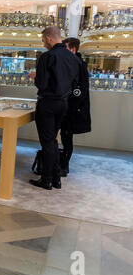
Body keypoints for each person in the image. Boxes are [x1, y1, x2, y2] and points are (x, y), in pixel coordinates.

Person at [28, 26, 80, 190]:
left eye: (43, 41)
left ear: (49, 38)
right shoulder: (73, 58)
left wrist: (34, 78)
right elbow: (74, 82)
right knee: (53, 140)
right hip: (63, 104)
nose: (43, 44)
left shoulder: (47, 56)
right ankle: (56, 178)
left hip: (48, 104)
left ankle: (46, 180)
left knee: (48, 142)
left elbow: (41, 84)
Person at [60, 37, 91, 177]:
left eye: (65, 48)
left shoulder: (79, 65)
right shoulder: (72, 63)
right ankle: (62, 164)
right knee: (65, 136)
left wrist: (68, 107)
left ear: (73, 49)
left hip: (73, 110)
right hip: (68, 108)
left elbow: (80, 91)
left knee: (67, 138)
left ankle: (64, 166)